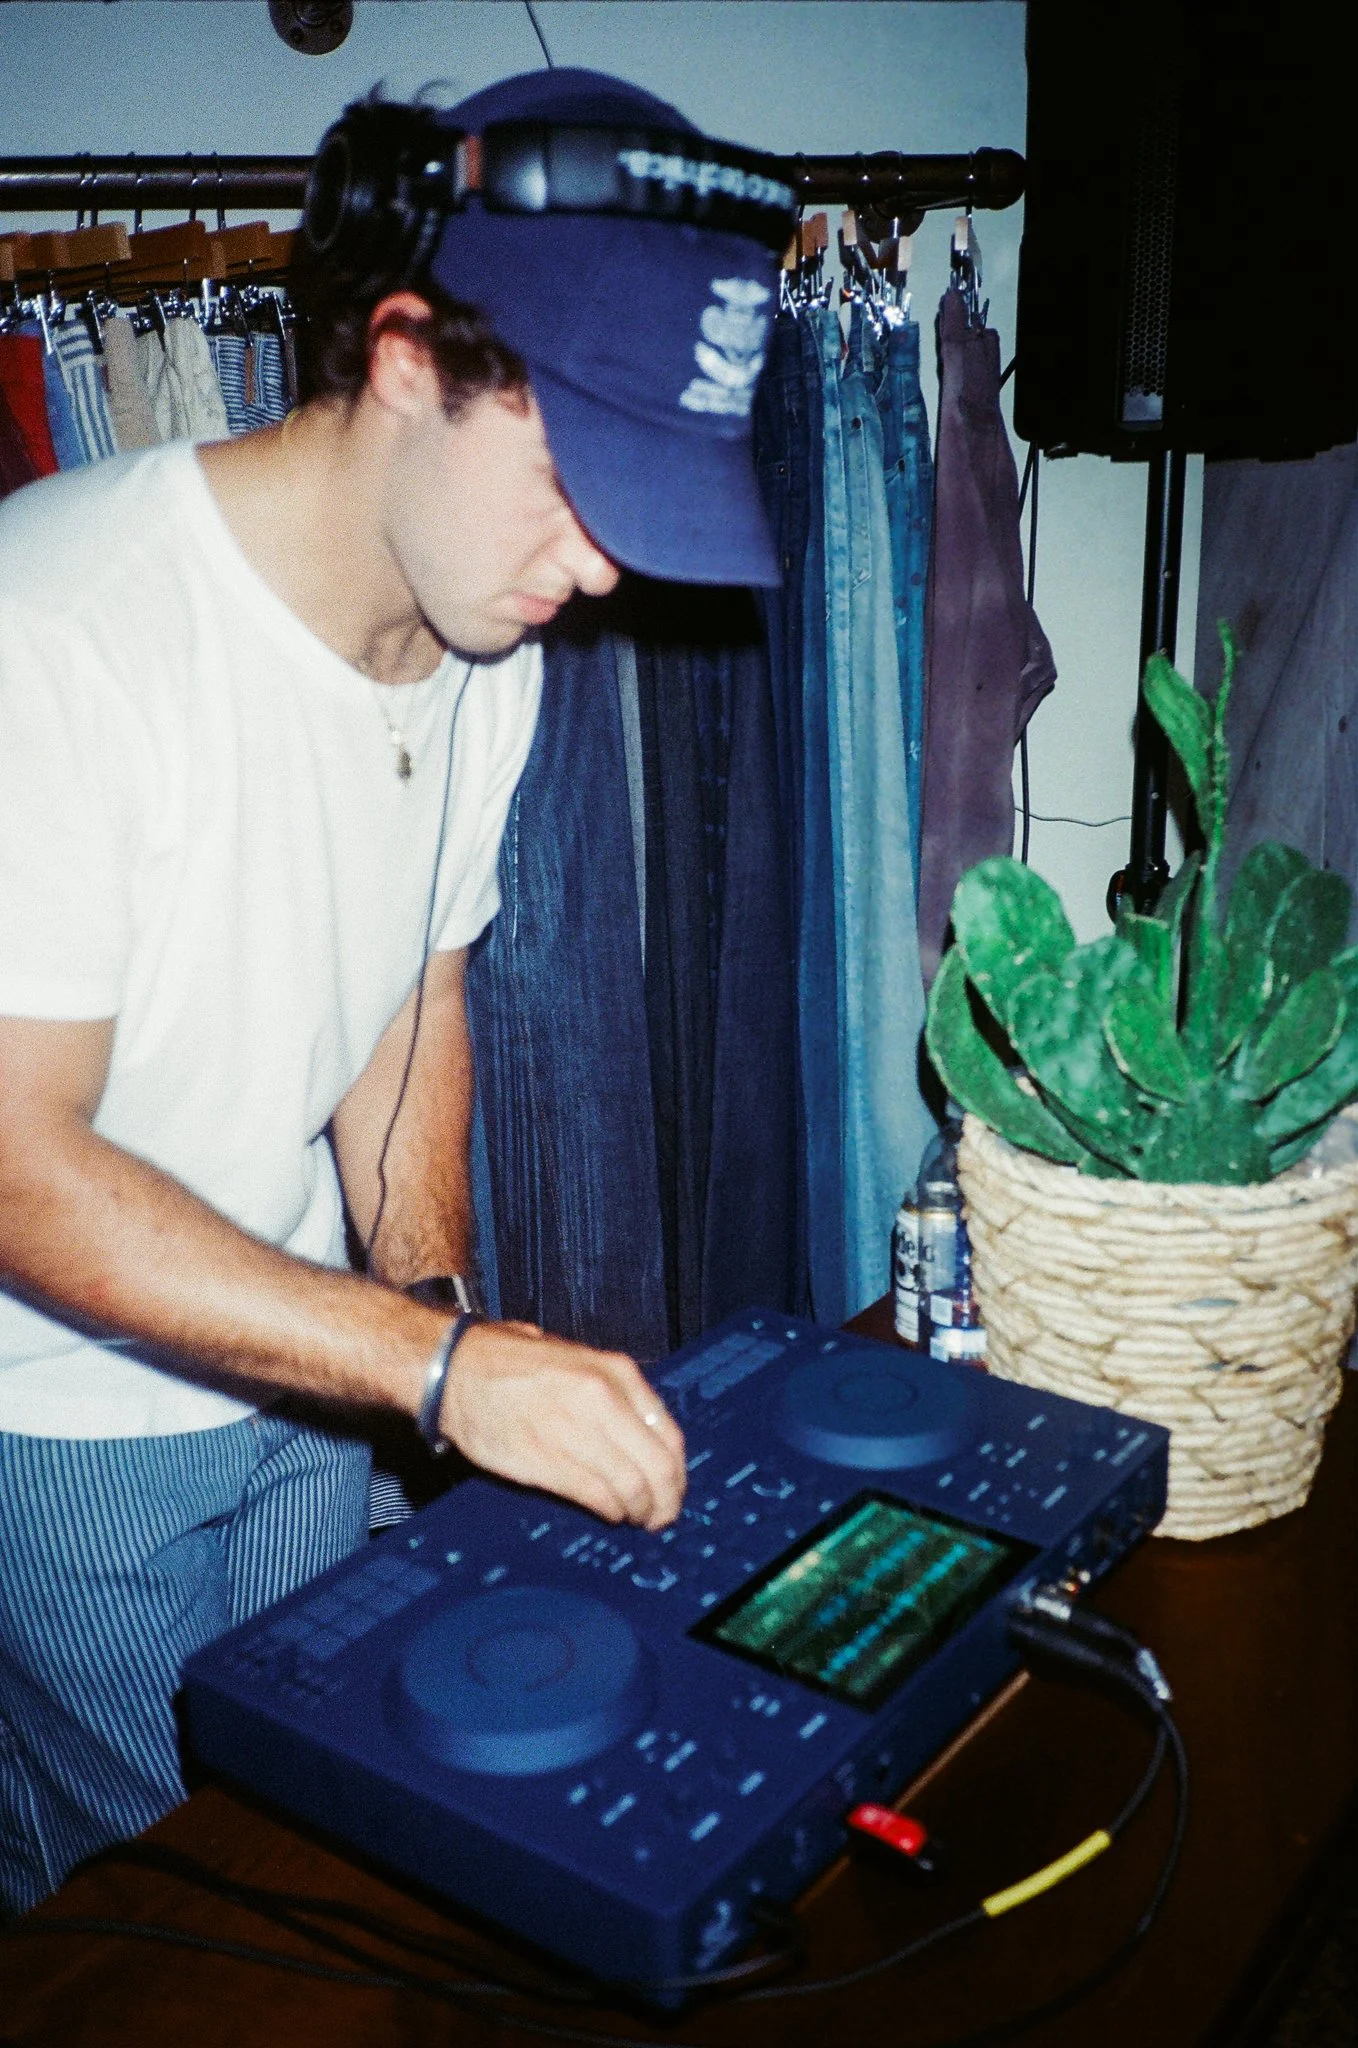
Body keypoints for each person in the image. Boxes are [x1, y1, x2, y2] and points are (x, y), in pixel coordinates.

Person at [0, 67, 794, 1914]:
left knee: (331, 1838)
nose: (601, 565)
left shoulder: (479, 638)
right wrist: (439, 1373)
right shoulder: (57, 635)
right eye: (579, 479)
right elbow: (17, 1169)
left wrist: (423, 1326)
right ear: (409, 353)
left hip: (300, 1377)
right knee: (174, 1919)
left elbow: (407, 1013)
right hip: (55, 1419)